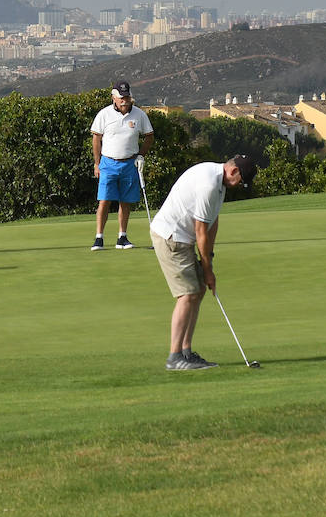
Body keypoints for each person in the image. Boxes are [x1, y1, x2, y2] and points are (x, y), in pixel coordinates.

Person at [150, 155, 258, 370]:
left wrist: (209, 260)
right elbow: (200, 230)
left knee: (198, 290)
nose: (239, 186)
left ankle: (186, 352)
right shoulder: (209, 184)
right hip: (171, 237)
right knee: (187, 294)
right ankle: (174, 357)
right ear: (234, 171)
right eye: (241, 182)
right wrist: (207, 269)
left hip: (184, 238)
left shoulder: (219, 182)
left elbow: (212, 222)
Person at [90, 80, 155, 250]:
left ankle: (122, 237)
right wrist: (97, 164)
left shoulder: (139, 115)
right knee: (104, 200)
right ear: (114, 98)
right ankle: (99, 238)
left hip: (129, 163)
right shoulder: (104, 114)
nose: (124, 100)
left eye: (126, 97)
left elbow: (149, 136)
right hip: (108, 163)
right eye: (121, 97)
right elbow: (96, 139)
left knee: (125, 202)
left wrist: (141, 155)